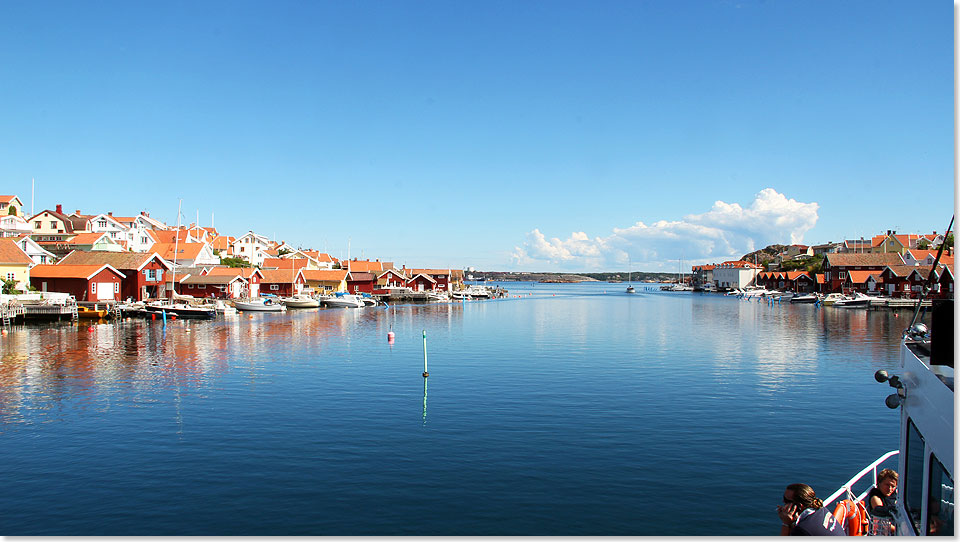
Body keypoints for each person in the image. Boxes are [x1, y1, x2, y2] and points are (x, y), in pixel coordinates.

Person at [777, 483, 846, 536]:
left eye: (786, 500)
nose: (783, 502)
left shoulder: (802, 529)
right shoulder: (822, 510)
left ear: (799, 506)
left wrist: (785, 523)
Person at [867, 469, 898, 534]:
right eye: (887, 485)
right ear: (879, 483)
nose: (890, 489)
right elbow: (883, 522)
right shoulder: (876, 498)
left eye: (893, 486)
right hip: (885, 531)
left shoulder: (894, 494)